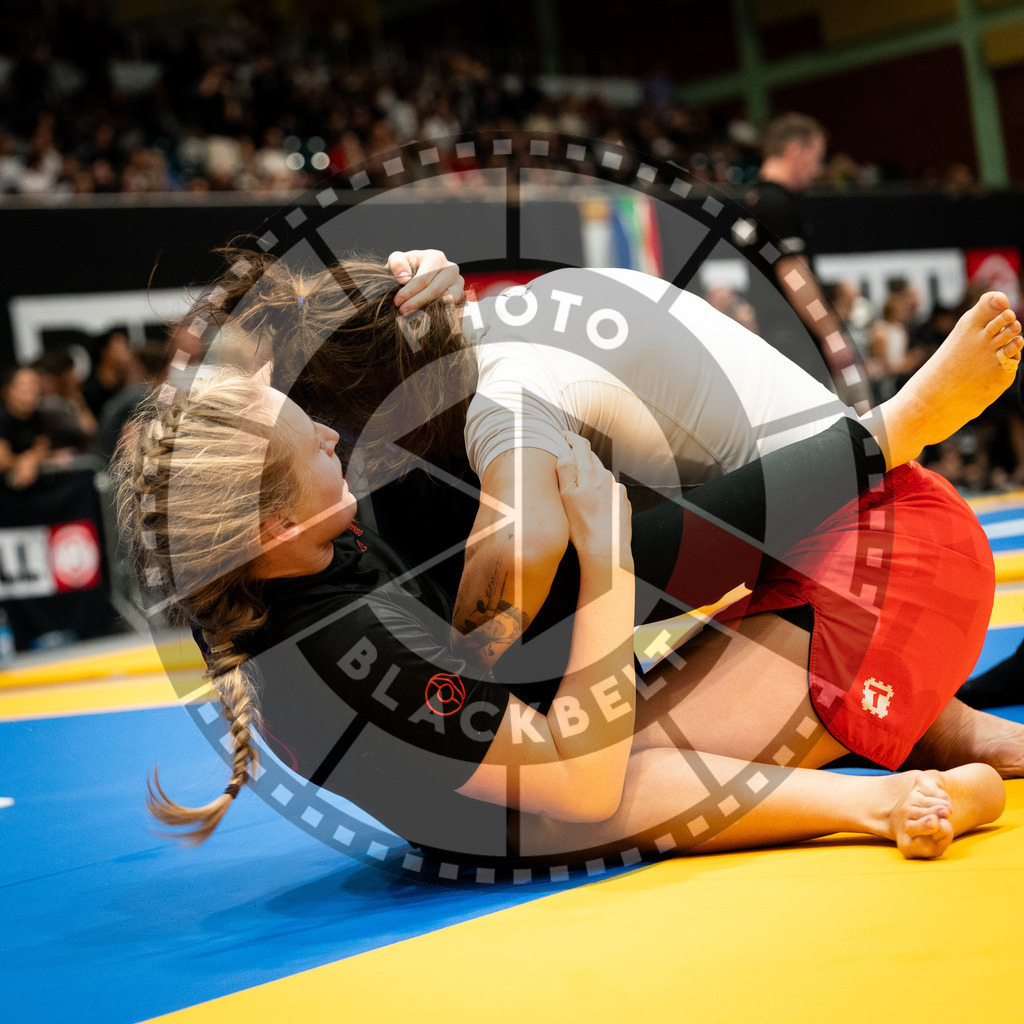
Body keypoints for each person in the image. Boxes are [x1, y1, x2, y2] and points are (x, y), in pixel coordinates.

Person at [113, 259, 1022, 865]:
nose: (330, 441)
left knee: (561, 752)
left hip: (883, 539)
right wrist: (608, 563)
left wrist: (428, 296)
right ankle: (931, 741)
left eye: (328, 426)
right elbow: (578, 776)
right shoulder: (341, 624)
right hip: (838, 552)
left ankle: (919, 745)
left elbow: (574, 770)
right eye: (317, 443)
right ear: (269, 527)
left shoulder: (277, 562)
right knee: (570, 667)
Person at [735, 113, 869, 407]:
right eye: (817, 157)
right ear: (796, 151)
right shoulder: (777, 203)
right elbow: (793, 274)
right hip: (796, 341)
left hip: (775, 338)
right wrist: (832, 336)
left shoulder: (754, 198)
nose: (818, 169)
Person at [0, 365, 52, 489]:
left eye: (35, 384)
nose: (32, 389)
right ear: (7, 390)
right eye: (24, 385)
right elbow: (2, 459)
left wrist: (30, 458)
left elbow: (43, 444)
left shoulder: (38, 416)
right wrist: (24, 462)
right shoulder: (3, 418)